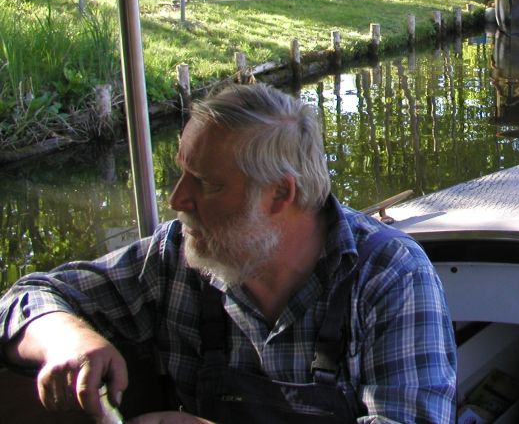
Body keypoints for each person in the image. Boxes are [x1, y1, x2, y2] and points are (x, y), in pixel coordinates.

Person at [0, 83, 457, 423]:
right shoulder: (175, 256)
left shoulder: (389, 278)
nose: (178, 200)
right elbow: (27, 297)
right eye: (182, 174)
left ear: (280, 194)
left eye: (208, 183)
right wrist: (70, 340)